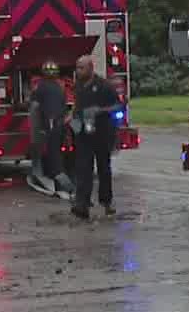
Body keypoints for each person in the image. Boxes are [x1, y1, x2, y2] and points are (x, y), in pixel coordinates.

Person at [68, 54, 121, 220]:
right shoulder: (78, 86)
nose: (78, 71)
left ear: (91, 68)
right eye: (77, 68)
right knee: (83, 169)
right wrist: (72, 117)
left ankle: (106, 202)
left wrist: (100, 110)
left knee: (104, 169)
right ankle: (81, 205)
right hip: (83, 134)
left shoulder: (104, 86)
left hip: (102, 133)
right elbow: (77, 105)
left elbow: (118, 105)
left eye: (81, 68)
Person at [27, 61, 67, 198]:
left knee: (54, 157)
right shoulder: (59, 87)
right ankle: (63, 184)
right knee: (57, 155)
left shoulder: (41, 87)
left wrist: (36, 134)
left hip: (51, 124)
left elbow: (34, 108)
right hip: (61, 124)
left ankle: (63, 187)